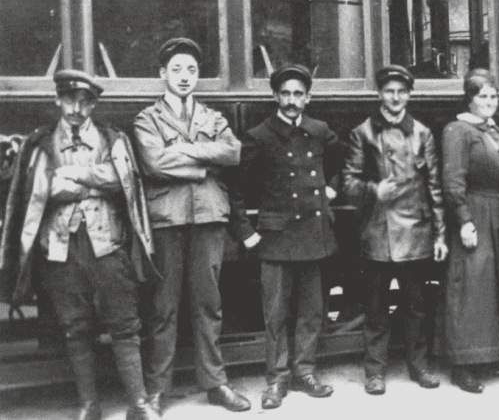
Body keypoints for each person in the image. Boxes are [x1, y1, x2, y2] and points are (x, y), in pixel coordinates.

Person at [0, 71, 160, 420]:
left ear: (94, 104)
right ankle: (89, 404)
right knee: (75, 328)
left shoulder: (112, 138)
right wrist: (91, 183)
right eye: (70, 100)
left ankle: (139, 404)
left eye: (85, 102)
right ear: (57, 100)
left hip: (108, 246)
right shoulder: (40, 143)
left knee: (125, 325)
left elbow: (121, 179)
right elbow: (39, 191)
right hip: (60, 249)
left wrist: (73, 176)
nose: (76, 109)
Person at [134, 38, 250, 414]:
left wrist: (182, 150)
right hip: (167, 219)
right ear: (162, 73)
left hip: (208, 217)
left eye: (192, 70)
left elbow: (233, 152)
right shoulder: (147, 119)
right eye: (177, 69)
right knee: (163, 307)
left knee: (208, 304)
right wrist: (204, 165)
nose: (185, 76)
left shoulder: (213, 117)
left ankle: (215, 383)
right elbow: (154, 162)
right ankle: (157, 390)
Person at [230, 64, 340, 410]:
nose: (292, 100)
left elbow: (343, 161)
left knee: (311, 312)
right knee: (275, 315)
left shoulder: (319, 131)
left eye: (298, 94)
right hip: (275, 239)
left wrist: (332, 188)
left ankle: (305, 371)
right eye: (286, 94)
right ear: (275, 96)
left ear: (308, 98)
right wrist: (244, 231)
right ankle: (277, 378)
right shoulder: (259, 136)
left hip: (313, 235)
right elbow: (235, 188)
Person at [343, 65, 448, 396]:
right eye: (389, 91)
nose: (395, 97)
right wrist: (374, 190)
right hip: (378, 231)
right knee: (375, 308)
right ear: (379, 94)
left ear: (409, 95)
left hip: (415, 231)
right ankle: (374, 372)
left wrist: (440, 234)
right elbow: (348, 183)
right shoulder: (363, 133)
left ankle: (419, 366)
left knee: (416, 306)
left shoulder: (422, 133)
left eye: (401, 91)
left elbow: (434, 187)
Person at [440, 69, 499, 394]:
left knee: (497, 285)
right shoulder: (458, 130)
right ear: (469, 99)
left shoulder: (493, 129)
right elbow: (453, 180)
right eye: (482, 96)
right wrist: (464, 220)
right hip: (476, 213)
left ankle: (493, 354)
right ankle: (463, 365)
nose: (489, 101)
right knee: (472, 286)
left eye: (493, 96)